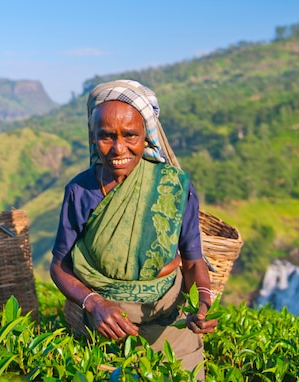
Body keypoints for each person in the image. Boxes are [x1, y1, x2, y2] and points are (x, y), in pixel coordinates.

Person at [50, 80, 217, 378]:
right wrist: (95, 304)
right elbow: (60, 267)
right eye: (105, 136)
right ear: (92, 137)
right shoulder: (80, 190)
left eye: (130, 135)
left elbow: (193, 261)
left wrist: (204, 303)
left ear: (146, 137)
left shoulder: (174, 188)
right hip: (106, 329)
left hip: (170, 328)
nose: (118, 148)